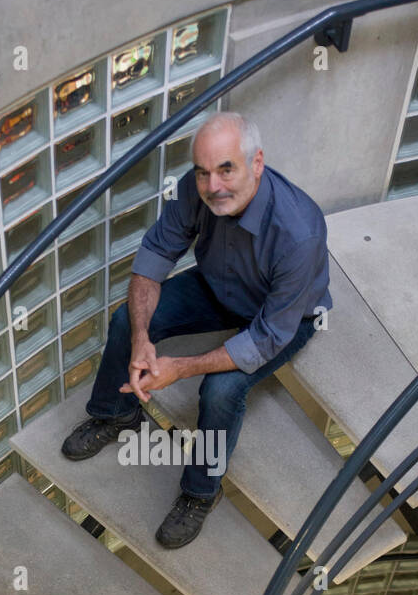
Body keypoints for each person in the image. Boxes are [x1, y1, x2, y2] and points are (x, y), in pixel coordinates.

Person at [60, 111, 331, 549]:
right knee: (127, 319)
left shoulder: (299, 233)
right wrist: (142, 340)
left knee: (221, 390)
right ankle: (117, 415)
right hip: (219, 287)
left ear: (256, 163)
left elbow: (265, 338)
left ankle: (201, 492)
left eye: (226, 169)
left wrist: (179, 368)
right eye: (203, 172)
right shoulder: (196, 188)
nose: (213, 186)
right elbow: (153, 257)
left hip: (283, 318)